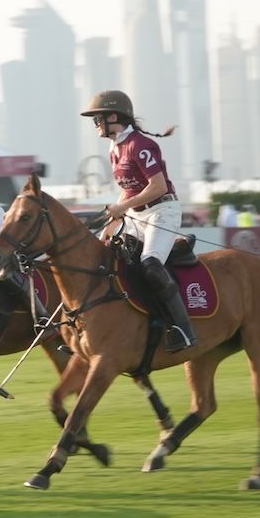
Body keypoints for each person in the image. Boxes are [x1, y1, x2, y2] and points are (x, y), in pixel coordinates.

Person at [81, 89, 196, 352]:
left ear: (114, 116)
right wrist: (115, 218)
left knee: (151, 264)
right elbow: (130, 188)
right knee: (107, 255)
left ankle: (181, 328)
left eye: (98, 118)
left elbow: (157, 187)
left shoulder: (140, 145)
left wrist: (123, 206)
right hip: (137, 213)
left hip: (161, 211)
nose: (96, 124)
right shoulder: (115, 149)